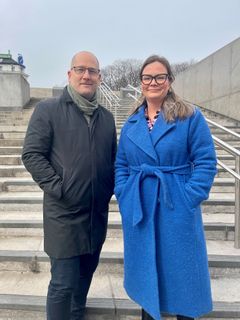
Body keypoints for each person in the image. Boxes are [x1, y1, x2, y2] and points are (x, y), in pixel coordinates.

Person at [114, 55, 217, 320]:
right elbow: (121, 165)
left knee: (184, 278)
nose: (153, 82)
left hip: (176, 205)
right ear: (141, 82)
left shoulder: (189, 116)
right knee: (148, 276)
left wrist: (188, 197)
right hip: (142, 207)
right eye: (148, 77)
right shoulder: (132, 123)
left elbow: (206, 161)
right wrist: (125, 196)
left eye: (160, 76)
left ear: (170, 81)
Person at [22, 51, 117, 320]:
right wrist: (59, 187)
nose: (86, 75)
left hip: (95, 215)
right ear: (69, 74)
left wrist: (106, 189)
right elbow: (31, 154)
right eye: (80, 69)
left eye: (92, 71)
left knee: (85, 277)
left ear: (99, 77)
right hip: (63, 215)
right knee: (63, 284)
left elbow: (112, 159)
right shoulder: (48, 110)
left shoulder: (107, 118)